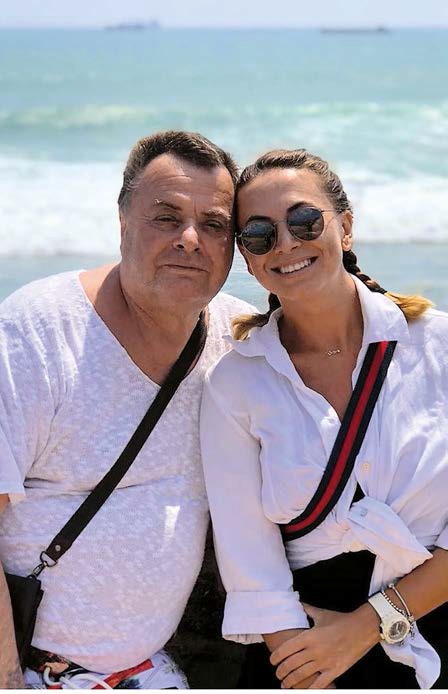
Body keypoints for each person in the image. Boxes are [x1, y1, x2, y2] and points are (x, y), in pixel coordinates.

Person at [0, 130, 255, 689]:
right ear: (122, 222)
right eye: (166, 217)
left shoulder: (241, 342)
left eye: (214, 225)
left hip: (153, 669)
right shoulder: (37, 331)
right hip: (35, 672)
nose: (190, 239)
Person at [200, 148, 448, 689]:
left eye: (304, 220)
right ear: (247, 257)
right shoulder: (235, 382)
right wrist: (311, 669)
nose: (286, 243)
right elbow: (251, 565)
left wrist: (366, 627)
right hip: (302, 648)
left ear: (346, 227)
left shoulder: (439, 346)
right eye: (259, 234)